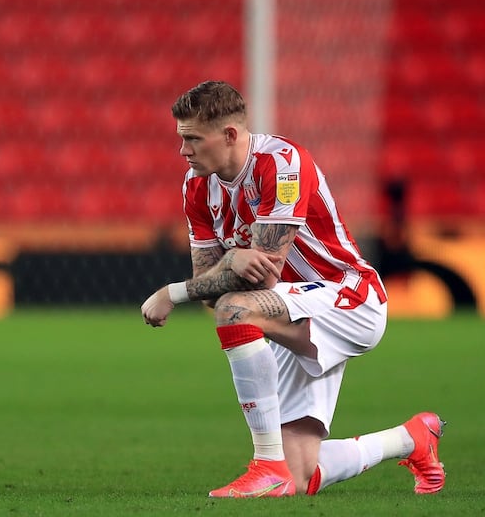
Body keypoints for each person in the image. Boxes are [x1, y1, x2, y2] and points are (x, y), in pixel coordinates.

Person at [141, 81, 444, 497]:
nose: (184, 151)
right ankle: (412, 439)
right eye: (181, 139)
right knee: (301, 474)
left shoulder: (282, 163)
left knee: (236, 310)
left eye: (193, 139)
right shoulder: (197, 187)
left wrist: (172, 293)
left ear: (229, 135)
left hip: (348, 297)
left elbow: (261, 275)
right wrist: (229, 264)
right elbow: (209, 288)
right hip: (289, 310)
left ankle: (265, 466)